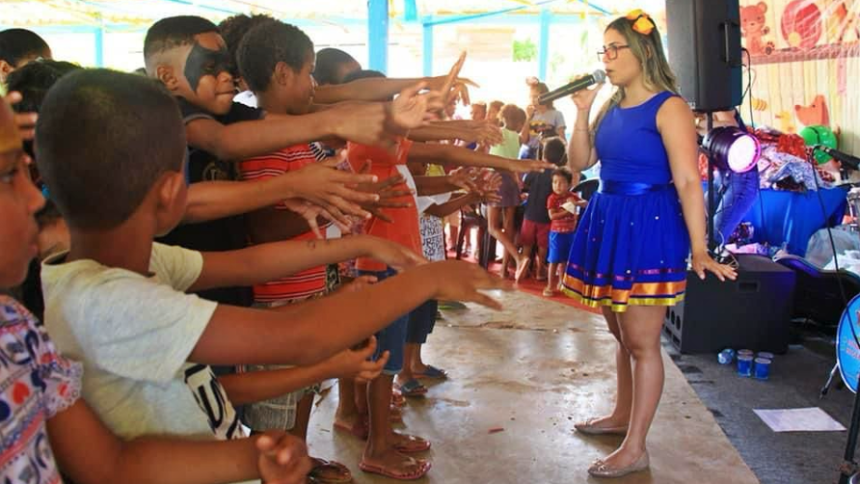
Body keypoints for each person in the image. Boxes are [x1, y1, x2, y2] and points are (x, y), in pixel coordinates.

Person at [35, 68, 508, 470]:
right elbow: (297, 335)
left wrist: (364, 245)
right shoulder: (115, 301)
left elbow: (246, 265)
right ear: (171, 189)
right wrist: (428, 277)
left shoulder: (118, 266)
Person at [0, 92, 312, 484]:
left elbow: (113, 464)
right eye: (8, 174)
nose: (33, 199)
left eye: (25, 171)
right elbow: (298, 336)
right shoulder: (102, 298)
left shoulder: (16, 328)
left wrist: (250, 460)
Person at [562, 10, 736, 478]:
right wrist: (579, 111)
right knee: (621, 336)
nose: (608, 58)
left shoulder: (669, 106)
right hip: (609, 216)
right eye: (604, 50)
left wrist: (700, 248)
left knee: (642, 342)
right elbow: (579, 161)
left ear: (643, 52)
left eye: (615, 48)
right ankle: (621, 416)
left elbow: (686, 180)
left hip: (649, 224)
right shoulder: (608, 106)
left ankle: (636, 446)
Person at [695, 110, 761, 247]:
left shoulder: (718, 100)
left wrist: (696, 123)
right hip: (719, 177)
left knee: (713, 240)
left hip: (742, 179)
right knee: (697, 230)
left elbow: (731, 125)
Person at [517, 137, 566, 282]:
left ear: (544, 154)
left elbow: (525, 184)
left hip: (529, 213)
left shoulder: (537, 169)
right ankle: (539, 271)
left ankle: (523, 267)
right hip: (546, 216)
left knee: (527, 243)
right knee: (542, 245)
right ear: (562, 156)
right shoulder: (558, 175)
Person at [488, 104, 528, 278]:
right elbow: (525, 137)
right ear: (520, 123)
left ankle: (518, 257)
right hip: (511, 181)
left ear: (503, 118)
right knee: (508, 227)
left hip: (495, 179)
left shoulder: (496, 133)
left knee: (492, 227)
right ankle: (504, 268)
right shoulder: (518, 138)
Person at [544, 169, 584, 296]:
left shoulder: (571, 196)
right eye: (555, 182)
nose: (557, 186)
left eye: (561, 183)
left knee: (565, 260)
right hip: (557, 234)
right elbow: (552, 216)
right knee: (553, 261)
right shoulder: (552, 198)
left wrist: (575, 202)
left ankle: (562, 283)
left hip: (570, 233)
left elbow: (585, 203)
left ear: (569, 184)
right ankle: (550, 285)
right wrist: (568, 211)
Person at [519, 79, 566, 160]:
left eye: (535, 96)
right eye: (531, 96)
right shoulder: (529, 114)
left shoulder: (556, 114)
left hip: (547, 154)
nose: (532, 100)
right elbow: (523, 140)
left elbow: (562, 139)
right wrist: (528, 118)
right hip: (528, 154)